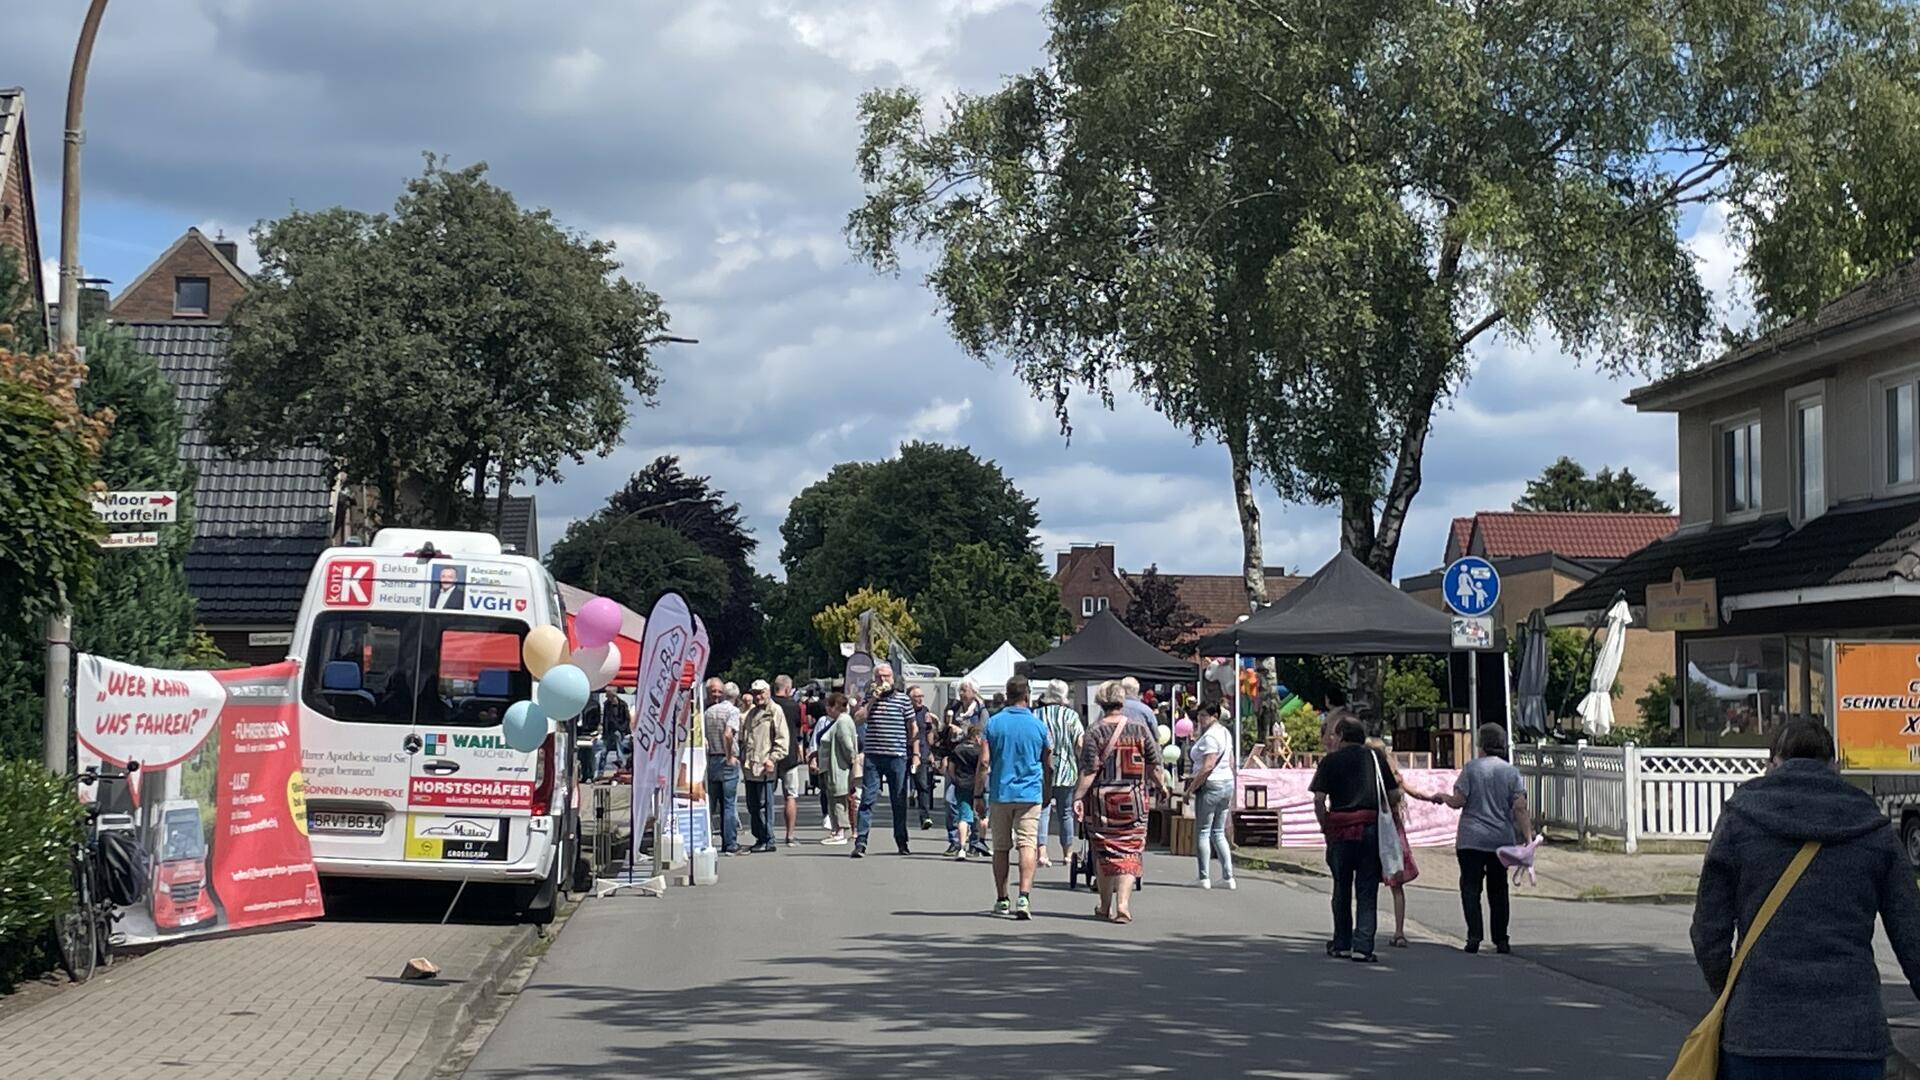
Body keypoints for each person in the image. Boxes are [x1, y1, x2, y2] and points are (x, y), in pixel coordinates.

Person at [1688, 720, 1920, 1078]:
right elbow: (1913, 938)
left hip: (1757, 1035)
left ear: (1772, 764)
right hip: (1852, 1039)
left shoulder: (1740, 820)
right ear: (1835, 765)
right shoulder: (1872, 829)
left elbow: (1708, 934)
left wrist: (1735, 990)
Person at [1425, 723, 1529, 954]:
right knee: (1498, 889)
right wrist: (1528, 839)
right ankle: (1501, 939)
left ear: (1481, 744)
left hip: (1471, 838)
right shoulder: (1511, 772)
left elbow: (1458, 801)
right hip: (1500, 840)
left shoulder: (1471, 769)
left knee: (1470, 887)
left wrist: (1442, 797)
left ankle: (1474, 936)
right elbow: (1520, 807)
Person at [1073, 680, 1166, 923]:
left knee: (1104, 852)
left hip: (1102, 801)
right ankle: (1123, 904)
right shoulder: (1139, 729)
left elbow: (1089, 770)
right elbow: (1154, 764)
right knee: (1130, 850)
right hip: (1133, 799)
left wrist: (1077, 797)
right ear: (1122, 701)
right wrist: (1162, 786)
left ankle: (1105, 906)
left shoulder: (1094, 731)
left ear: (1101, 702)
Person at [1310, 712, 1397, 963]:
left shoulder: (1330, 762)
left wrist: (1324, 823)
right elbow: (1393, 794)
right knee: (1367, 889)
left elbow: (1318, 799)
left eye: (1335, 734)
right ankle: (1363, 946)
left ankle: (1341, 943)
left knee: (1341, 888)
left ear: (1342, 737)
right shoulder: (1375, 758)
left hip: (1339, 830)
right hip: (1370, 829)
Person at [975, 676, 1050, 919]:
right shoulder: (1039, 725)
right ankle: (1024, 897)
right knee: (1027, 844)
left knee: (1001, 847)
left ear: (1006, 695)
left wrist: (978, 793)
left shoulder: (994, 724)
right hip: (1029, 792)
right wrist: (1047, 790)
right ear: (1027, 695)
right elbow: (1048, 760)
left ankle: (1002, 897)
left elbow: (984, 761)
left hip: (1001, 792)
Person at [1369, 737, 1431, 948]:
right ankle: (1399, 931)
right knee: (1397, 884)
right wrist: (1434, 798)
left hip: (1370, 830)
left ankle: (1365, 929)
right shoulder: (1393, 776)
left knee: (1366, 884)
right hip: (1392, 832)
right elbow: (1411, 791)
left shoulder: (1367, 776)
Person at [854, 662, 918, 858]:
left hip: (896, 756)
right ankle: (861, 842)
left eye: (887, 676)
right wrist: (872, 700)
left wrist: (915, 753)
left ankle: (901, 841)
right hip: (873, 755)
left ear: (893, 678)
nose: (883, 680)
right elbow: (858, 718)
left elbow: (913, 727)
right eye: (880, 676)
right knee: (867, 799)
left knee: (898, 800)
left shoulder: (903, 700)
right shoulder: (869, 698)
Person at [1184, 702, 1237, 891]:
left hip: (1211, 783)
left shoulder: (1210, 737)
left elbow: (1208, 765)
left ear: (1214, 715)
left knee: (1204, 831)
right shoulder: (1225, 733)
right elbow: (1230, 760)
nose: (1200, 719)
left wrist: (1191, 788)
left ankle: (1203, 876)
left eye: (1203, 715)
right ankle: (1228, 876)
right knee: (1218, 831)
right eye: (1199, 715)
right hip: (1227, 782)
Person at [1034, 680, 1084, 868]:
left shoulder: (1037, 714)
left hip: (1042, 770)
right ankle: (1067, 854)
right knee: (1066, 814)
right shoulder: (1071, 716)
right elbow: (1080, 744)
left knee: (1042, 812)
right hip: (1067, 770)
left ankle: (1042, 852)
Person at [739, 680, 789, 853]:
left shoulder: (775, 711)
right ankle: (759, 837)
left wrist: (773, 758)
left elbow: (782, 740)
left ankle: (768, 839)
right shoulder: (752, 713)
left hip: (765, 767)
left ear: (768, 692)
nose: (758, 696)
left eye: (761, 693)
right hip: (749, 767)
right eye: (755, 693)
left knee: (764, 804)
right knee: (752, 805)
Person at [702, 678, 743, 855]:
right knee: (729, 804)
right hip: (726, 760)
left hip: (711, 759)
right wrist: (729, 756)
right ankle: (730, 843)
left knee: (711, 803)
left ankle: (705, 840)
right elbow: (728, 734)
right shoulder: (733, 712)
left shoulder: (708, 712)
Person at [937, 710, 984, 860]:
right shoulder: (979, 751)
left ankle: (961, 846)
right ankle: (977, 843)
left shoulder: (958, 749)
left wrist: (956, 779)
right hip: (977, 785)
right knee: (979, 815)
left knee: (963, 817)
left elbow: (950, 769)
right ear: (977, 736)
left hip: (961, 784)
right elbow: (984, 766)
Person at [817, 693, 858, 845]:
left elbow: (847, 744)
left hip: (839, 767)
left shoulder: (843, 721)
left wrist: (851, 761)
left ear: (836, 707)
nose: (827, 708)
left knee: (839, 798)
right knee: (833, 798)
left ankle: (841, 830)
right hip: (831, 767)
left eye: (830, 705)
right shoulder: (837, 721)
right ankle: (836, 830)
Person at [773, 675, 807, 846]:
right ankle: (790, 835)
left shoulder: (768, 705)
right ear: (787, 689)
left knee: (766, 796)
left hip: (770, 755)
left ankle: (767, 834)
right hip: (790, 755)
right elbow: (800, 727)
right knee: (791, 796)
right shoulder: (796, 707)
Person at [909, 686, 937, 830]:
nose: (920, 699)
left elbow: (929, 735)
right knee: (901, 786)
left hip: (922, 754)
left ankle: (925, 816)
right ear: (910, 698)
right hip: (906, 754)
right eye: (917, 697)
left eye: (922, 696)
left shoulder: (924, 711)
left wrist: (932, 726)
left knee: (923, 785)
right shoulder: (905, 711)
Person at [596, 687, 631, 775]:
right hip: (608, 732)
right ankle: (600, 772)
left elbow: (627, 719)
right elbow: (605, 720)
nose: (607, 697)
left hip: (618, 731)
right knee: (603, 752)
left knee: (619, 751)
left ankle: (622, 768)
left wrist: (621, 729)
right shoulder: (607, 705)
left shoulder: (622, 705)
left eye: (608, 695)